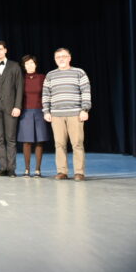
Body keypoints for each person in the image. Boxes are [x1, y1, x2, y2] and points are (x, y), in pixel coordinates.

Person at [42, 48, 91, 181]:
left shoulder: (79, 72)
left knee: (77, 143)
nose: (61, 59)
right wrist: (46, 111)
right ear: (55, 60)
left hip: (75, 114)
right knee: (59, 144)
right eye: (58, 57)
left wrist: (85, 109)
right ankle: (62, 171)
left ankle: (79, 172)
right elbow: (46, 94)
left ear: (69, 58)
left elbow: (86, 92)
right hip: (56, 115)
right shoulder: (50, 75)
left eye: (64, 56)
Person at [0, 40, 24, 177]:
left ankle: (11, 168)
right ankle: (2, 168)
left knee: (10, 138)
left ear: (5, 50)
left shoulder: (14, 66)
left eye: (0, 49)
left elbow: (19, 87)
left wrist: (17, 106)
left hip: (10, 106)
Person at [17, 55, 50, 178]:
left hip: (40, 111)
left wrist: (47, 111)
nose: (29, 65)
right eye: (27, 64)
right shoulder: (20, 79)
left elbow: (47, 94)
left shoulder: (42, 77)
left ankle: (37, 170)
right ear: (24, 66)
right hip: (25, 112)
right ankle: (27, 170)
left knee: (39, 141)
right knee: (27, 141)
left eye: (32, 63)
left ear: (35, 64)